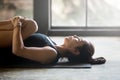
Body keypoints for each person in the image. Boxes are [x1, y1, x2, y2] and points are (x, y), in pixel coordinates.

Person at [0, 16, 106, 65]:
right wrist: (18, 24)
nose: (74, 35)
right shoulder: (53, 45)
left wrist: (17, 26)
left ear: (75, 51)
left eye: (78, 39)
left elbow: (18, 50)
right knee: (31, 25)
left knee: (31, 25)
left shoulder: (51, 54)